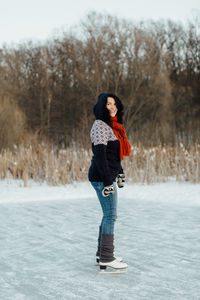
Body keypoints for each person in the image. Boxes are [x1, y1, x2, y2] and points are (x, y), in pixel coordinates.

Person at [88, 92, 131, 271]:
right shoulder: (99, 126)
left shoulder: (111, 126)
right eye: (108, 104)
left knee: (108, 214)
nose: (112, 106)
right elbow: (100, 156)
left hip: (105, 177)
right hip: (101, 178)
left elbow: (113, 156)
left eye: (114, 103)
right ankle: (106, 256)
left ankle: (102, 254)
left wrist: (119, 173)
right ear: (101, 107)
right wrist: (107, 182)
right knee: (110, 215)